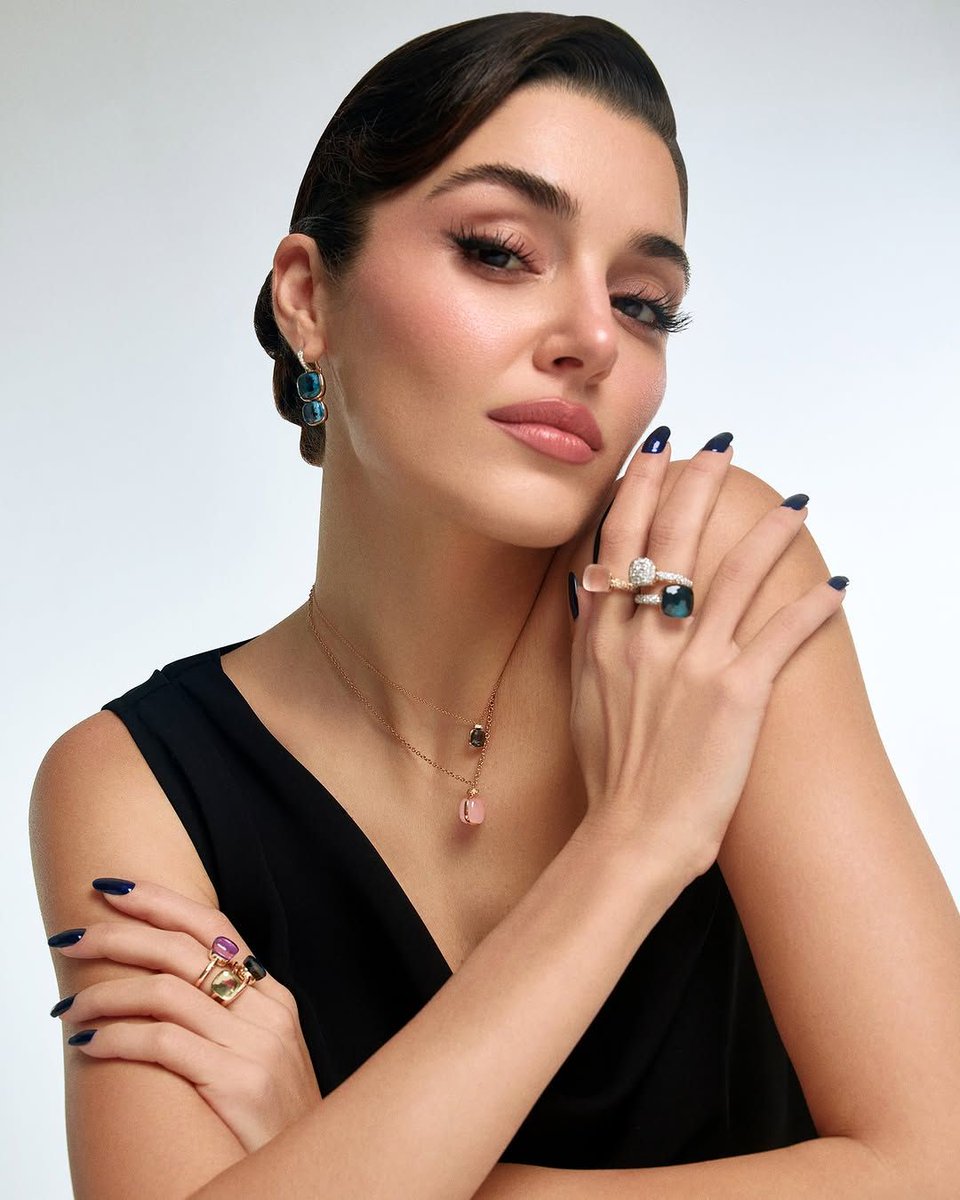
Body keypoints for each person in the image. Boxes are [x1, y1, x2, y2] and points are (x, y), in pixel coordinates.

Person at [29, 12, 960, 1199]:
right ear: (308, 299)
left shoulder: (699, 576)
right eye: (500, 251)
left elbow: (939, 1166)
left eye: (644, 302)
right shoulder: (130, 782)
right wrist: (634, 847)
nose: (592, 339)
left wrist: (342, 1152)